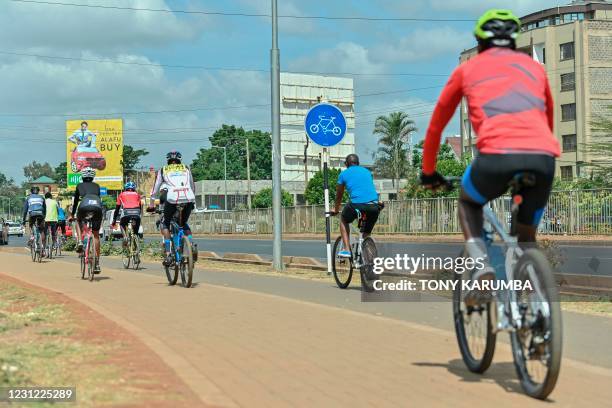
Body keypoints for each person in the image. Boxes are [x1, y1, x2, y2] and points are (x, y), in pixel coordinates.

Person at [420, 9, 560, 303]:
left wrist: (429, 171)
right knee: (526, 238)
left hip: (496, 156)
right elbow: (548, 115)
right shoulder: (534, 68)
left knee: (469, 201)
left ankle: (482, 268)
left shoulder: (468, 69)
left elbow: (436, 126)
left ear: (480, 41)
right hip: (542, 156)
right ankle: (536, 316)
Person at [148, 151, 198, 265]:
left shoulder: (163, 170)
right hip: (188, 197)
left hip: (172, 199)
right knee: (183, 223)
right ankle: (190, 245)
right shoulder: (186, 168)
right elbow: (192, 185)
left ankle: (168, 254)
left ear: (168, 160)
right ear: (180, 160)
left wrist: (151, 204)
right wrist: (192, 200)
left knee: (165, 223)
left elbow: (155, 189)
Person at [331, 154, 381, 258]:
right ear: (358, 163)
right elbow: (368, 189)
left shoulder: (344, 174)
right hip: (374, 205)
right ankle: (369, 260)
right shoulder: (367, 172)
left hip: (357, 204)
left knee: (343, 219)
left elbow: (339, 195)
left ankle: (346, 249)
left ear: (346, 164)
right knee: (366, 234)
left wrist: (336, 209)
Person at [70, 167, 104, 273]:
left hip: (84, 206)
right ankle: (97, 263)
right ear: (93, 176)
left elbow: (75, 202)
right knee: (96, 235)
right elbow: (99, 199)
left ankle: (80, 241)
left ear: (83, 176)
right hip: (97, 208)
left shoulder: (79, 186)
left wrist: (72, 214)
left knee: (78, 221)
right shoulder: (97, 186)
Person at [112, 181, 142, 248]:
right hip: (136, 212)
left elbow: (117, 209)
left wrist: (114, 220)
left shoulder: (121, 194)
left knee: (122, 224)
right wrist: (139, 217)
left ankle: (125, 237)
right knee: (135, 231)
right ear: (134, 188)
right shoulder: (137, 195)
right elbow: (140, 207)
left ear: (125, 188)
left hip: (126, 212)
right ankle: (135, 240)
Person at [22, 186, 46, 252]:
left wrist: (23, 220)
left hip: (32, 214)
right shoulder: (42, 197)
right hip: (40, 214)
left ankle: (32, 236)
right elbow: (44, 208)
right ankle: (43, 248)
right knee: (41, 230)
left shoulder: (28, 198)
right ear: (38, 191)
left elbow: (25, 210)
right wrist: (44, 216)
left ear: (31, 191)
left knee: (30, 225)